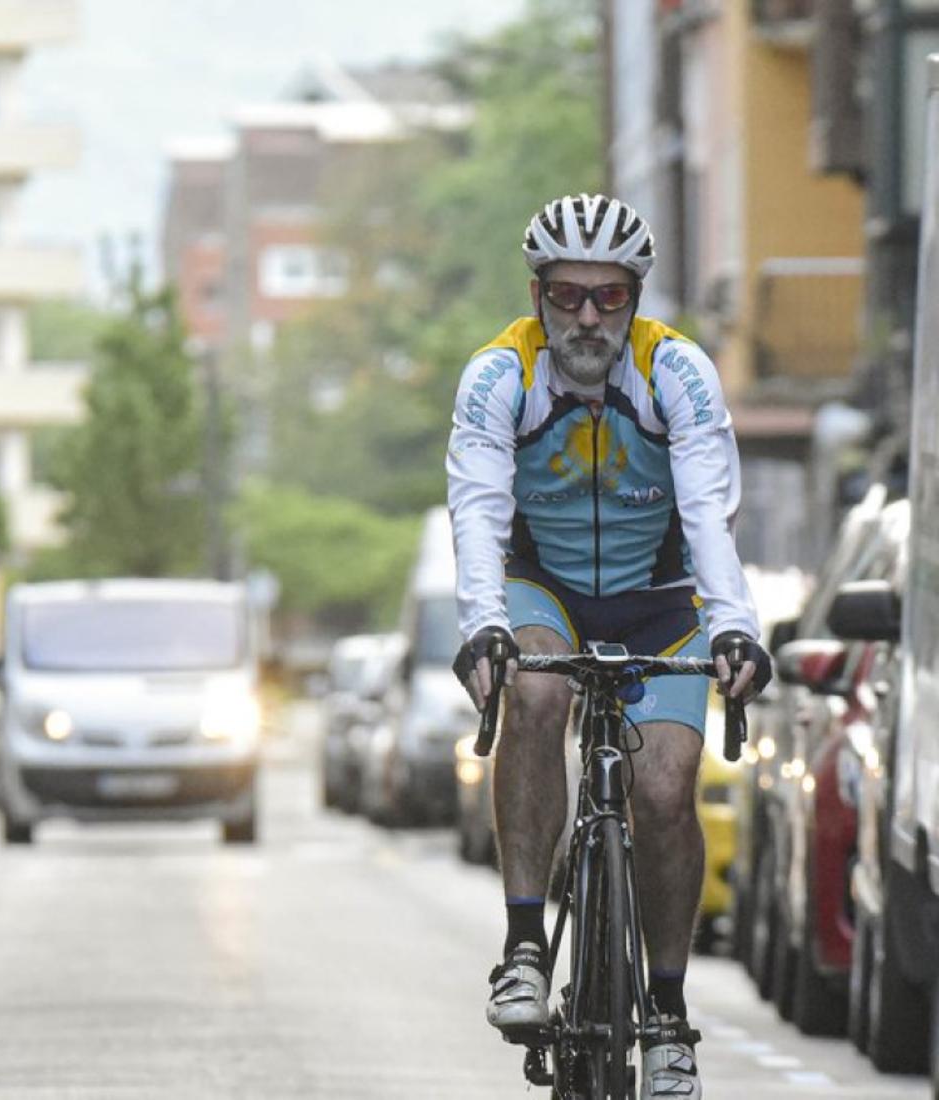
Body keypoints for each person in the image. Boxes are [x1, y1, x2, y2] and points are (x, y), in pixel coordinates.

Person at [445, 193, 772, 1100]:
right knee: (536, 694)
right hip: (543, 590)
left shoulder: (678, 372)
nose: (588, 316)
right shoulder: (498, 375)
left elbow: (709, 511)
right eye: (567, 295)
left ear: (635, 299)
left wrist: (735, 623)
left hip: (660, 601)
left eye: (610, 296)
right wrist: (483, 624)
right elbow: (477, 509)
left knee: (665, 790)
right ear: (538, 296)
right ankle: (523, 947)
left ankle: (665, 1017)